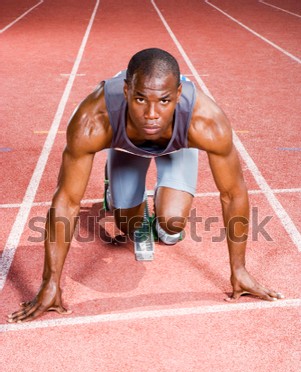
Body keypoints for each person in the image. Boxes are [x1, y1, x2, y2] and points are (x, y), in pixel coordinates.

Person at [8, 48, 284, 323]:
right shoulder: (93, 120)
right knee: (130, 228)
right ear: (127, 91)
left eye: (164, 101)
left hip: (178, 144)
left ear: (178, 95)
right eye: (141, 99)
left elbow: (232, 194)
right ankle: (114, 182)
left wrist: (240, 269)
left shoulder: (206, 122)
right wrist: (50, 283)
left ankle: (150, 199)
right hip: (124, 143)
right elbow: (66, 201)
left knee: (172, 224)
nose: (151, 113)